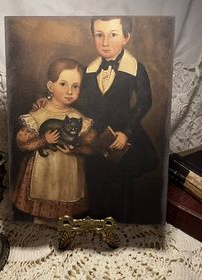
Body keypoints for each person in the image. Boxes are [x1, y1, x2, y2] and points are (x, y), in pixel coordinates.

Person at [32, 16, 158, 222]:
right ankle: (94, 228)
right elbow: (75, 98)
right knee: (95, 183)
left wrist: (126, 131)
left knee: (120, 186)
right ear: (93, 36)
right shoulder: (88, 71)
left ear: (126, 37)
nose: (105, 42)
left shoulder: (135, 68)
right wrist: (46, 101)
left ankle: (119, 228)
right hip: (94, 137)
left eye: (113, 35)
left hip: (121, 138)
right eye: (99, 35)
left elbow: (145, 102)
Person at [12, 58, 94, 221]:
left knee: (65, 220)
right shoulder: (37, 115)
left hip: (69, 177)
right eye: (63, 84)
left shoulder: (79, 118)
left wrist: (76, 149)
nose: (70, 91)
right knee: (40, 221)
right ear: (50, 86)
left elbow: (91, 148)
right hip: (42, 176)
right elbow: (22, 144)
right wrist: (44, 140)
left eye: (75, 86)